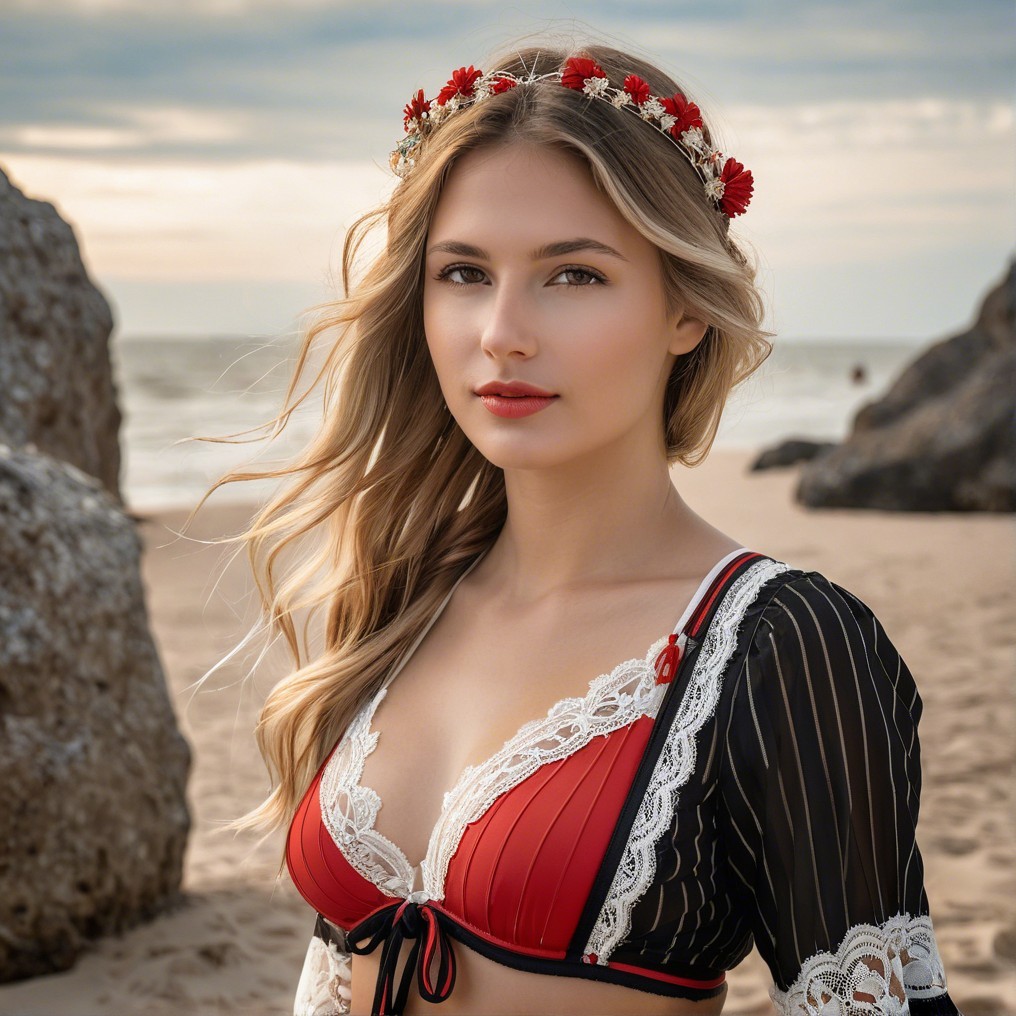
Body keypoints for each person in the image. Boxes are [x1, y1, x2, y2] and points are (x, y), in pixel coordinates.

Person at [204, 36, 962, 1016]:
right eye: (464, 272)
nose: (501, 334)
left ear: (685, 306)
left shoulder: (780, 643)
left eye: (573, 275)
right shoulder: (408, 596)